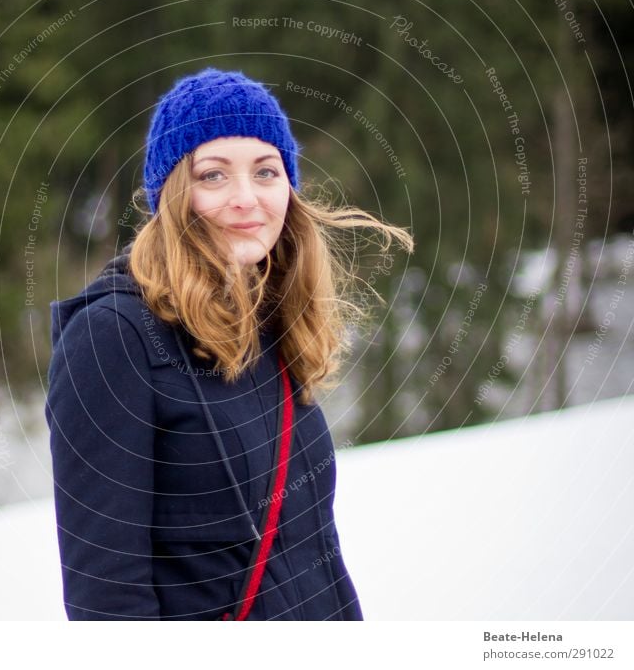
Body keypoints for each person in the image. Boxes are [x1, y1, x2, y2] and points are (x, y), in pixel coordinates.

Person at [45, 67, 414, 620]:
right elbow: (107, 600)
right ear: (172, 194)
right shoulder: (112, 339)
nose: (247, 199)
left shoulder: (271, 323)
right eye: (214, 175)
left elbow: (313, 557)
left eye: (266, 172)